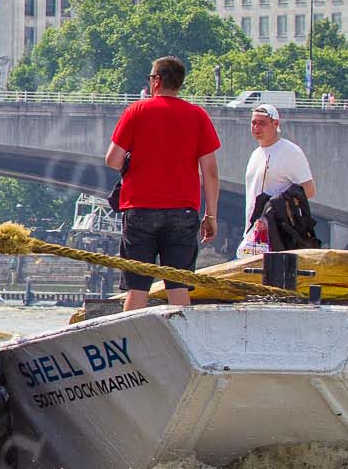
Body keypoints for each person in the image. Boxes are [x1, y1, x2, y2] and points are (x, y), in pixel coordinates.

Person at [106, 54, 221, 310]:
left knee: (137, 290)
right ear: (179, 83)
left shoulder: (136, 111)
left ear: (156, 81)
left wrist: (133, 160)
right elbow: (210, 172)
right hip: (183, 211)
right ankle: (181, 345)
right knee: (178, 287)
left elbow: (112, 159)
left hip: (140, 209)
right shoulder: (198, 116)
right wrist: (210, 215)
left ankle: (133, 343)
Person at [236, 103, 317, 257]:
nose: (256, 127)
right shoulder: (255, 154)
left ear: (275, 124)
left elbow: (309, 190)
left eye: (262, 123)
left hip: (277, 234)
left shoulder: (290, 151)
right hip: (252, 234)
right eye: (253, 123)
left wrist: (276, 202)